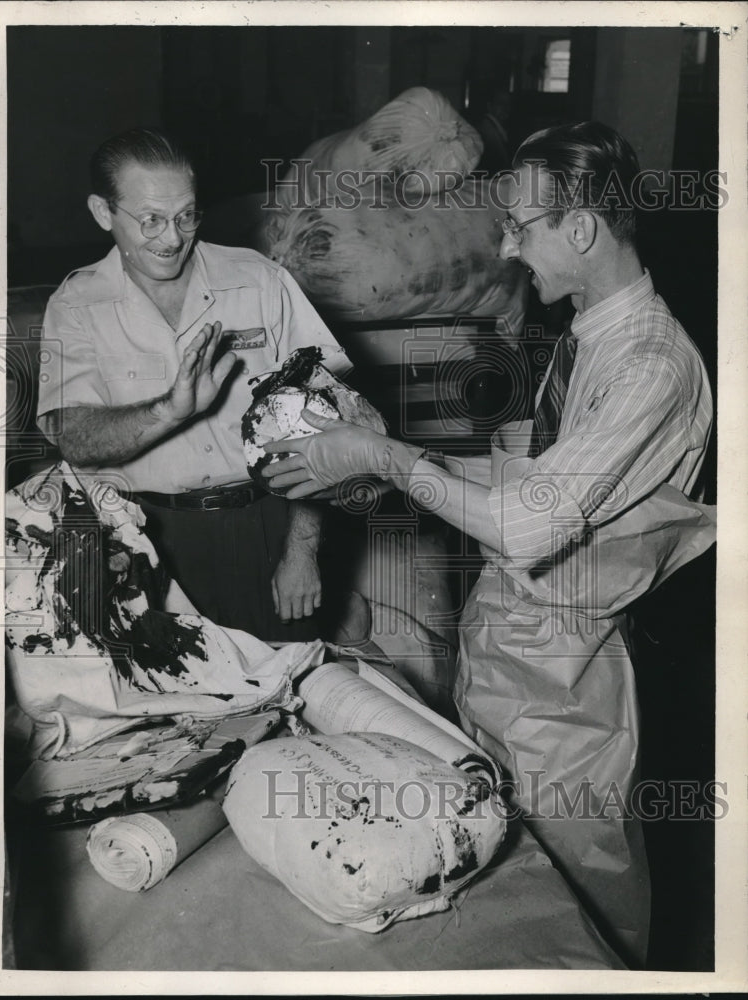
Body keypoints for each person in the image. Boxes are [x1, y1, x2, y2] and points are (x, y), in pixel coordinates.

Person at [261, 121, 715, 967]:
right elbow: (518, 479)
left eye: (521, 226)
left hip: (566, 687)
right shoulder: (584, 336)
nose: (506, 247)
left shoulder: (649, 368)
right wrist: (380, 446)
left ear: (579, 229)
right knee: (498, 886)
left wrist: (382, 458)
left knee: (576, 909)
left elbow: (526, 524)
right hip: (508, 652)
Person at [36, 127, 351, 641]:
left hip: (270, 527)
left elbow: (326, 423)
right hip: (147, 542)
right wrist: (169, 412)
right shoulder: (75, 307)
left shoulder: (258, 281)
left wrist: (303, 551)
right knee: (182, 711)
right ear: (102, 212)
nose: (173, 238)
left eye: (186, 216)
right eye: (151, 220)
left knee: (297, 693)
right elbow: (74, 437)